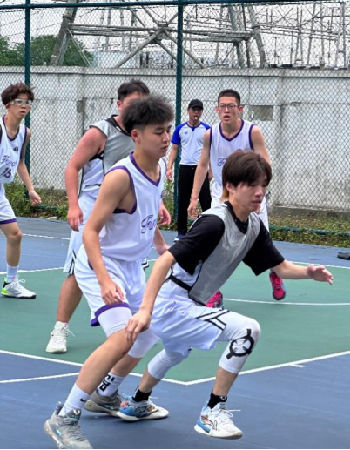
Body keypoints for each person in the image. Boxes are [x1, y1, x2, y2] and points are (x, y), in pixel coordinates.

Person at [119, 150, 334, 440]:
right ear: (230, 186)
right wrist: (145, 309)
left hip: (187, 303)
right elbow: (164, 261)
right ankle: (212, 412)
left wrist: (309, 272)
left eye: (264, 185)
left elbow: (280, 267)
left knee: (175, 351)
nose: (260, 192)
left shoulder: (254, 226)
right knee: (247, 330)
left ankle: (137, 402)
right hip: (173, 303)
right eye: (252, 185)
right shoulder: (215, 222)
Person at [44, 96, 175, 450]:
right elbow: (89, 231)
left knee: (149, 331)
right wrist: (104, 280)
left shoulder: (160, 167)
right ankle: (65, 417)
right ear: (136, 135)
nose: (166, 138)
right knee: (122, 337)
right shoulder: (120, 176)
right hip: (100, 263)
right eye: (158, 132)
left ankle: (105, 395)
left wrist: (160, 245)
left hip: (131, 266)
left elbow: (146, 213)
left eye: (168, 130)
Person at [45, 80, 171, 354]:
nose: (164, 136)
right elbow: (72, 167)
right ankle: (60, 328)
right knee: (78, 271)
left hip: (125, 212)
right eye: (133, 103)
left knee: (142, 325)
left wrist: (157, 215)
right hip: (92, 209)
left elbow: (146, 190)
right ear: (119, 104)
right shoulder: (100, 133)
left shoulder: (154, 152)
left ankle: (118, 332)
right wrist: (73, 205)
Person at [186, 89, 285, 307]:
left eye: (231, 106)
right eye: (222, 106)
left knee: (263, 240)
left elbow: (265, 165)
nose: (226, 110)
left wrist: (259, 196)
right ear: (216, 109)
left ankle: (275, 273)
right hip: (222, 194)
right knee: (215, 242)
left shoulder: (252, 132)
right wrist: (194, 198)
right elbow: (202, 165)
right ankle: (213, 291)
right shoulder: (210, 134)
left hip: (249, 193)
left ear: (239, 109)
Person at [0, 83, 41, 299]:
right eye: (19, 102)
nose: (24, 106)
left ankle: (11, 283)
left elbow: (20, 163)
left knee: (15, 235)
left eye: (27, 102)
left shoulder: (25, 133)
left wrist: (31, 189)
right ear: (8, 105)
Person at [166, 99, 211, 241]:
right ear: (188, 111)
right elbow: (174, 149)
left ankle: (210, 231)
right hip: (185, 167)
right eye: (193, 109)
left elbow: (211, 150)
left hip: (200, 168)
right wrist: (169, 167)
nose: (196, 112)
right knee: (183, 200)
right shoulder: (180, 129)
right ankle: (181, 232)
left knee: (206, 200)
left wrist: (211, 170)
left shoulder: (207, 129)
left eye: (199, 110)